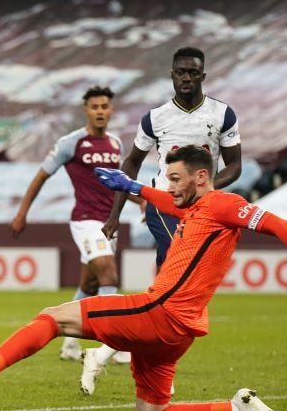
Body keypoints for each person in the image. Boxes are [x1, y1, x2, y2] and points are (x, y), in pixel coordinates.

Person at [0, 145, 287, 411]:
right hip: (180, 333)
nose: (169, 187)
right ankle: (235, 408)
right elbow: (165, 201)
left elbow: (274, 222)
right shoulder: (198, 206)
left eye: (176, 179)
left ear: (202, 177)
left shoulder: (223, 204)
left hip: (158, 313)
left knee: (54, 318)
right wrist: (132, 187)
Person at [83, 46, 243, 379]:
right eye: (181, 72)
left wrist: (207, 188)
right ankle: (119, 346)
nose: (186, 77)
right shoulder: (155, 118)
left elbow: (236, 165)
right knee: (176, 271)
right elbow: (131, 163)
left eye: (193, 72)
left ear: (203, 75)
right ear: (172, 75)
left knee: (166, 290)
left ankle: (113, 348)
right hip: (164, 206)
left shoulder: (222, 115)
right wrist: (115, 214)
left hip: (202, 211)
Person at [9, 85, 131, 363]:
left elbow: (115, 186)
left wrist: (143, 201)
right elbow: (41, 176)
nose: (100, 111)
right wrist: (22, 213)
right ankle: (111, 347)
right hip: (86, 222)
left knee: (88, 285)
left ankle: (70, 345)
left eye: (104, 106)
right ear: (86, 110)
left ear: (111, 110)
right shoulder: (71, 143)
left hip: (110, 222)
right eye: (95, 107)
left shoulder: (115, 143)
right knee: (109, 275)